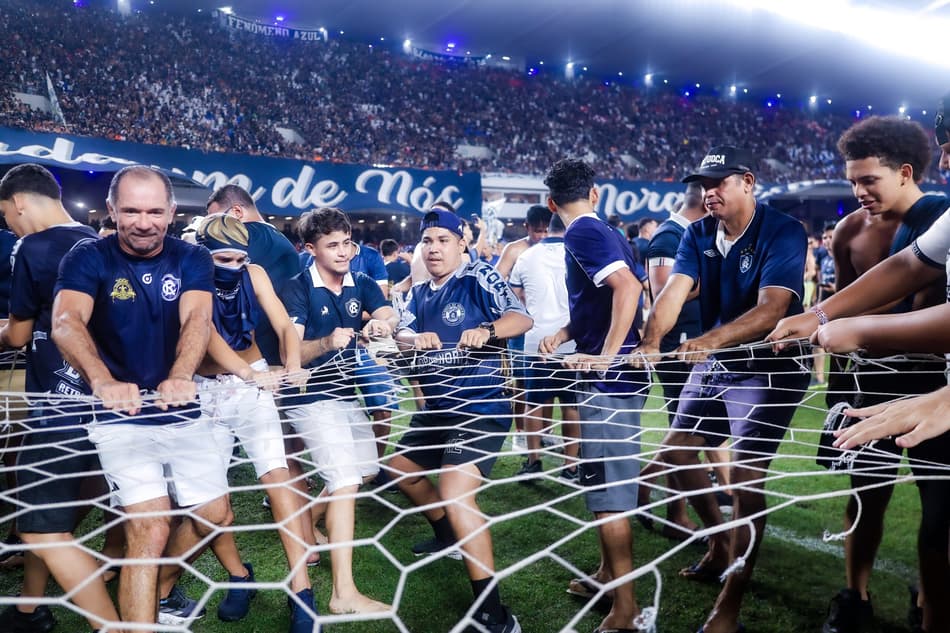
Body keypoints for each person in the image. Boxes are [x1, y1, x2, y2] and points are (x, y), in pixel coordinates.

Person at [769, 99, 950, 633]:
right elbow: (907, 266)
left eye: (869, 179)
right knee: (866, 493)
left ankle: (933, 604)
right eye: (853, 181)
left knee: (940, 512)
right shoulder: (851, 231)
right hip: (871, 380)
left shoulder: (934, 210)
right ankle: (857, 595)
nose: (859, 191)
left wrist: (863, 328)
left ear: (905, 173)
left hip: (931, 375)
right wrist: (820, 315)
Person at [637, 147, 810, 633]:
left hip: (770, 366)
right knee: (677, 453)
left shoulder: (783, 229)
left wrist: (709, 340)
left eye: (720, 183)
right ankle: (718, 542)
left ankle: (729, 603)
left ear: (748, 182)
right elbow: (673, 291)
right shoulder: (696, 233)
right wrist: (650, 341)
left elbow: (773, 308)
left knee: (745, 478)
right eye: (704, 185)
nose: (709, 193)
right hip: (719, 361)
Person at [52, 165, 232, 630]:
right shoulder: (88, 257)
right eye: (131, 211)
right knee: (150, 527)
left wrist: (180, 375)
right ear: (112, 211)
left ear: (171, 212)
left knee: (216, 516)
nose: (144, 222)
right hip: (120, 413)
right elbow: (66, 321)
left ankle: (162, 588)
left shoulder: (192, 257)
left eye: (154, 212)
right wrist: (102, 380)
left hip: (180, 405)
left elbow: (197, 320)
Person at [390, 207, 532, 633]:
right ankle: (448, 536)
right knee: (400, 470)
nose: (434, 249)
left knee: (455, 494)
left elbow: (522, 318)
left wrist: (488, 331)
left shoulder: (478, 276)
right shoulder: (418, 292)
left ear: (461, 244)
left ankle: (495, 616)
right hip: (437, 410)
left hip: (479, 407)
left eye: (443, 240)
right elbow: (401, 336)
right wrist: (412, 338)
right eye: (427, 241)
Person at [0, 164, 121, 633]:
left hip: (58, 405)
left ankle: (110, 627)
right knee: (46, 513)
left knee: (38, 525)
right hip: (102, 403)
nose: (9, 224)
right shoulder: (94, 240)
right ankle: (30, 610)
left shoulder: (32, 247)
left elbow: (18, 335)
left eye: (5, 214)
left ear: (19, 203)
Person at [540, 159, 651, 633]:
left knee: (609, 496)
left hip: (611, 382)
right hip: (611, 376)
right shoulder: (605, 230)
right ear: (595, 192)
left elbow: (627, 288)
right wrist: (568, 331)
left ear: (550, 203)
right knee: (601, 485)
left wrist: (606, 356)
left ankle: (626, 610)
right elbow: (609, 296)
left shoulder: (582, 232)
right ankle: (607, 575)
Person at [191, 213, 317, 631]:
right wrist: (249, 375)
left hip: (254, 383)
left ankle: (302, 590)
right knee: (209, 500)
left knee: (277, 478)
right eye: (223, 258)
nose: (233, 266)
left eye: (239, 258)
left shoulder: (255, 273)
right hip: (205, 389)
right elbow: (206, 334)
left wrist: (293, 363)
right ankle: (239, 575)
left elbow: (283, 325)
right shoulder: (190, 273)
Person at [280, 207, 394, 615]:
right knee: (345, 482)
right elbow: (291, 354)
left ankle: (307, 528)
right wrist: (327, 342)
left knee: (366, 470)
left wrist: (383, 323)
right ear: (311, 249)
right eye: (333, 245)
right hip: (308, 397)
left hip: (344, 396)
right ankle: (343, 593)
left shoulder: (360, 281)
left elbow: (387, 311)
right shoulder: (296, 287)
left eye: (347, 243)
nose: (343, 252)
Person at [638, 182, 731, 539]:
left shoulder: (695, 233)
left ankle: (656, 492)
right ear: (706, 204)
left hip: (696, 343)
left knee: (691, 432)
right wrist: (713, 280)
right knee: (686, 433)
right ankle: (671, 508)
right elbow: (664, 293)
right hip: (678, 348)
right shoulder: (668, 237)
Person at [508, 213, 580, 481]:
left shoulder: (527, 256)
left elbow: (513, 297)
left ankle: (533, 461)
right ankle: (570, 467)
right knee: (571, 405)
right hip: (571, 338)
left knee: (534, 403)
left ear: (548, 228)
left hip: (536, 340)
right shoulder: (577, 253)